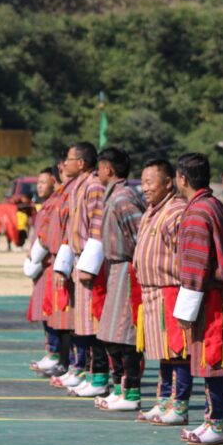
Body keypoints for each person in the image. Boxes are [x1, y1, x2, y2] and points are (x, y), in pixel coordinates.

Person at [173, 153, 223, 443]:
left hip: (212, 297)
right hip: (219, 294)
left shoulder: (197, 212)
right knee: (211, 362)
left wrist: (185, 311)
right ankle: (211, 421)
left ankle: (216, 425)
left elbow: (196, 264)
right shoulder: (214, 204)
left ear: (182, 179)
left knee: (213, 360)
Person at [132, 159, 190, 424]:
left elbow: (184, 254)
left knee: (177, 351)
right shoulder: (152, 210)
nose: (145, 188)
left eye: (150, 182)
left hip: (171, 290)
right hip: (152, 292)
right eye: (143, 182)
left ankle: (179, 406)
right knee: (162, 352)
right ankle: (164, 400)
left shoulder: (176, 210)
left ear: (168, 183)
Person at [90, 148, 147, 410]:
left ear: (108, 169)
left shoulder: (123, 198)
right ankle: (119, 388)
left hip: (127, 271)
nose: (97, 173)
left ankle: (131, 393)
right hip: (115, 269)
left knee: (125, 335)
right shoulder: (115, 195)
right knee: (110, 333)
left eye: (99, 168)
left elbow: (140, 236)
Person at [58, 142, 109, 398]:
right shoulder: (78, 185)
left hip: (90, 263)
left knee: (94, 322)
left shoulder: (94, 186)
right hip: (79, 259)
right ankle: (89, 373)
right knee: (83, 324)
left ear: (81, 163)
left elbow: (97, 229)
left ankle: (99, 376)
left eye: (69, 159)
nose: (64, 163)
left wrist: (89, 266)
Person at [49, 148, 85, 388]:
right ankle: (71, 364)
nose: (62, 167)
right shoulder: (68, 190)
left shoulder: (81, 189)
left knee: (76, 319)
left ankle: (78, 366)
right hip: (64, 258)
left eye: (67, 161)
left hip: (77, 260)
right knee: (65, 317)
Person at [26, 167, 61, 376]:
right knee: (43, 310)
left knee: (51, 311)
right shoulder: (44, 207)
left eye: (43, 182)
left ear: (53, 183)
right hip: (40, 266)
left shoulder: (54, 206)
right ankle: (50, 351)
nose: (39, 186)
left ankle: (55, 354)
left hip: (49, 265)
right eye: (38, 182)